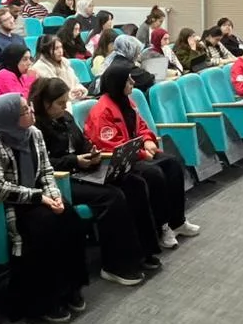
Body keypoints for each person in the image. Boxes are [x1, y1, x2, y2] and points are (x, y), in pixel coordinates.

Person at [31, 77, 160, 286]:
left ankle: (143, 251)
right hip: (61, 179)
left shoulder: (66, 118)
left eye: (65, 102)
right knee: (112, 197)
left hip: (83, 170)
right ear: (45, 104)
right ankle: (114, 265)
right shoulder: (36, 128)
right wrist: (75, 160)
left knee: (133, 183)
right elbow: (43, 163)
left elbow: (82, 142)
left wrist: (92, 152)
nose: (64, 107)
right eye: (60, 103)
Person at [0, 93, 87, 324]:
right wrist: (39, 197)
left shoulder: (34, 133)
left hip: (38, 197)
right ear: (9, 118)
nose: (31, 111)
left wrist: (54, 196)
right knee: (45, 227)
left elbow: (45, 171)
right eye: (25, 110)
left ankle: (70, 288)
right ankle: (44, 301)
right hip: (8, 205)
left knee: (69, 218)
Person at [84, 65, 197, 249]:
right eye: (128, 80)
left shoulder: (128, 102)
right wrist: (142, 153)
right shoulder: (102, 111)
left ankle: (178, 221)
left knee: (173, 164)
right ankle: (162, 227)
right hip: (119, 161)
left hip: (137, 152)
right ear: (118, 83)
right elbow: (112, 146)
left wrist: (148, 140)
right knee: (154, 174)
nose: (133, 82)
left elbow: (141, 126)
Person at [30, 34, 86, 100]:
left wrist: (80, 91)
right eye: (56, 48)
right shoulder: (39, 68)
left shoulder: (65, 63)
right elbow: (54, 93)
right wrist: (71, 94)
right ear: (46, 50)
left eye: (61, 47)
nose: (60, 51)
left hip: (74, 100)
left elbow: (76, 82)